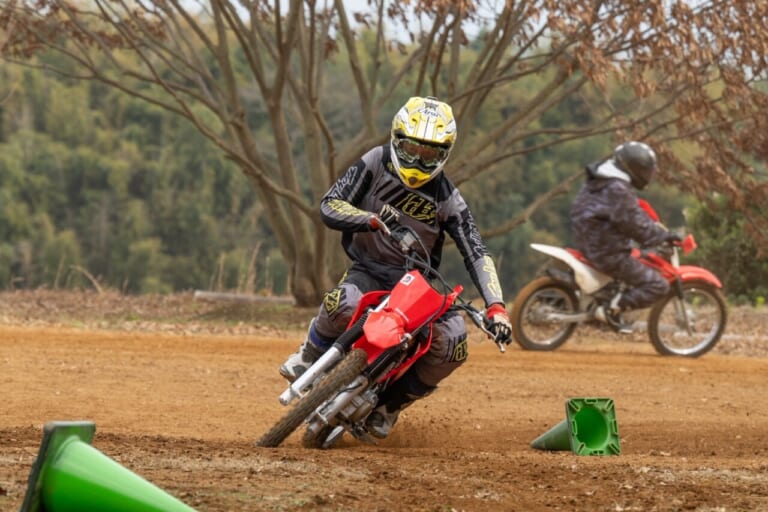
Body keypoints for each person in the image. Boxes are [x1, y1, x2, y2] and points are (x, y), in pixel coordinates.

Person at [279, 96, 512, 439]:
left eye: (429, 154)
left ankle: (391, 404)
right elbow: (330, 204)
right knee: (342, 302)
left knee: (454, 342)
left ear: (445, 153)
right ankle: (310, 352)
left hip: (418, 285)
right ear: (396, 138)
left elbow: (476, 251)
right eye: (411, 149)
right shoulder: (374, 161)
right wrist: (368, 219)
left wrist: (496, 308)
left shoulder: (448, 198)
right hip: (369, 268)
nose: (417, 161)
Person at [570, 141, 681, 330]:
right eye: (645, 170)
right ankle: (611, 310)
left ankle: (607, 299)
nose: (648, 175)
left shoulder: (599, 179)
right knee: (658, 285)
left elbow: (629, 214)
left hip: (587, 241)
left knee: (638, 258)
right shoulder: (618, 189)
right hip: (607, 251)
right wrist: (662, 236)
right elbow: (635, 224)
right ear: (633, 168)